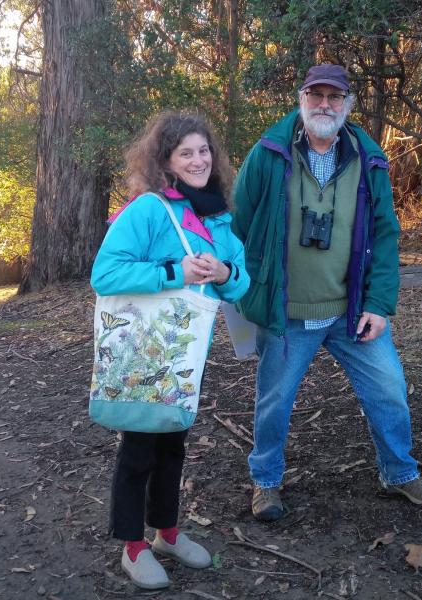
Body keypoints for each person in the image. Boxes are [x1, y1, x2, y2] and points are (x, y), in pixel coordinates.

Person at [231, 64, 422, 522]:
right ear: (301, 99)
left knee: (389, 389)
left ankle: (399, 473)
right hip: (286, 311)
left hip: (351, 313)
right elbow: (240, 224)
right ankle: (266, 482)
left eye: (335, 97)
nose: (324, 104)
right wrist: (250, 282)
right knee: (274, 401)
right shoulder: (268, 153)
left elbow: (386, 234)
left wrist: (378, 303)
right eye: (316, 95)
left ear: (348, 105)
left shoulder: (369, 160)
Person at [90, 112, 249, 589]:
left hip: (185, 353)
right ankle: (132, 547)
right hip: (144, 352)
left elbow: (238, 283)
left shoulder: (218, 217)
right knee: (139, 445)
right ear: (166, 160)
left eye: (204, 151)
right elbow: (106, 274)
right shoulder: (149, 210)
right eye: (186, 153)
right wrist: (175, 271)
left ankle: (167, 533)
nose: (199, 160)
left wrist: (224, 275)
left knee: (174, 442)